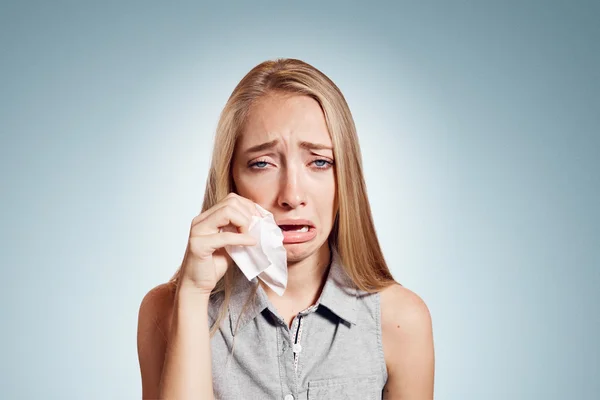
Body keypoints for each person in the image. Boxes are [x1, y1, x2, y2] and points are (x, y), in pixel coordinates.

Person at [137, 58, 434, 399]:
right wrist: (192, 295)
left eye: (319, 162)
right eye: (262, 163)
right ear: (231, 177)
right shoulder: (166, 310)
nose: (292, 196)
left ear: (344, 179)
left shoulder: (401, 320)